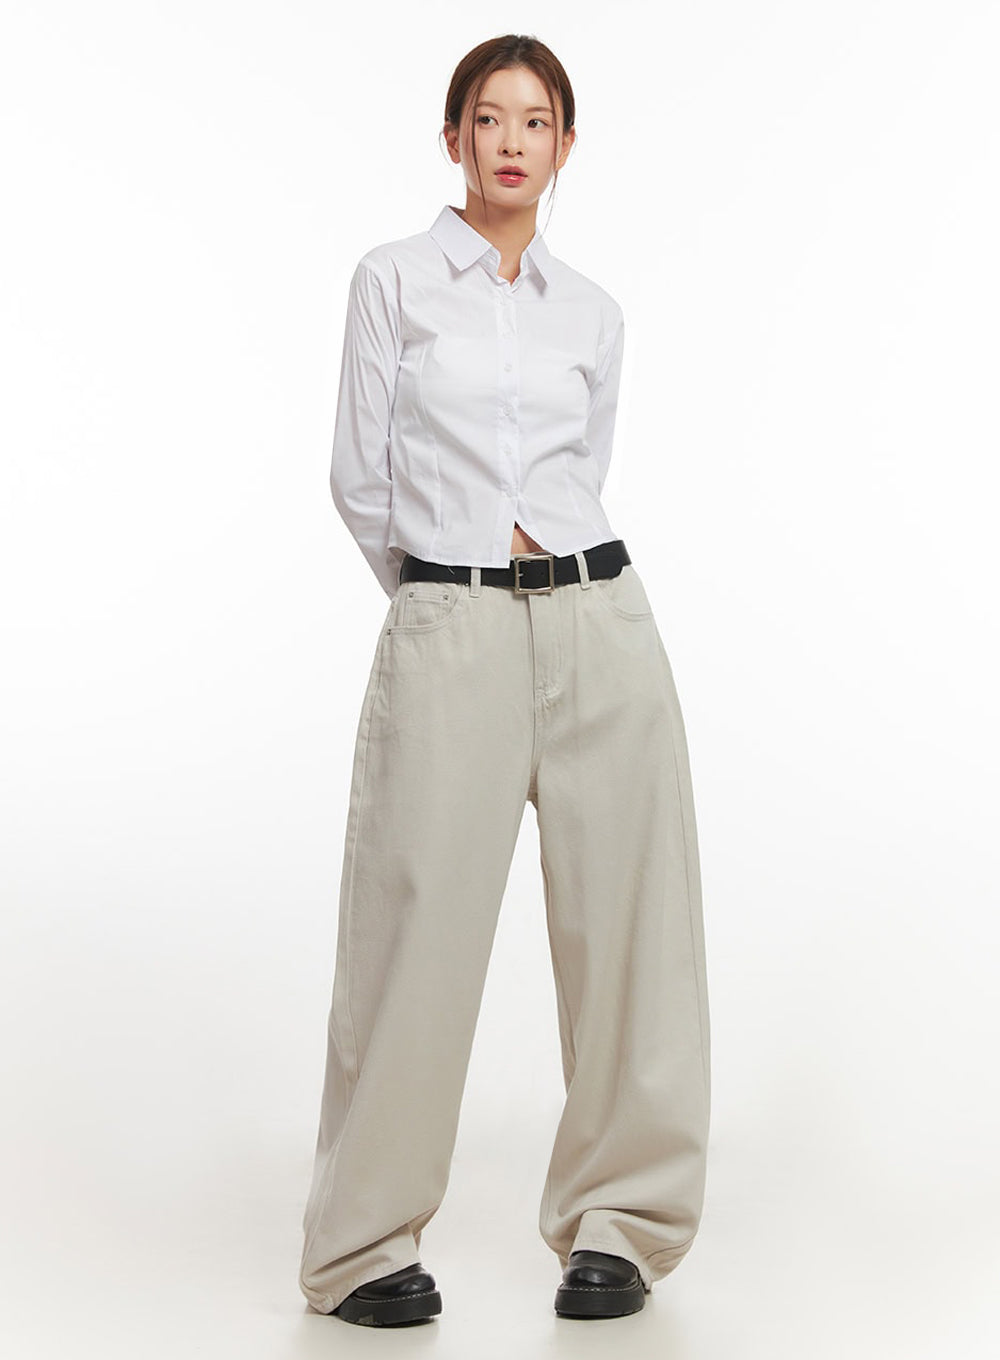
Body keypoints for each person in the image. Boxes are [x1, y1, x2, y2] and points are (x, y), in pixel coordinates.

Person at [298, 33, 711, 1328]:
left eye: (537, 120)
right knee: (413, 924)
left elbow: (583, 469)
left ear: (567, 145)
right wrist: (442, 595)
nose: (513, 141)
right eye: (490, 117)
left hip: (600, 619)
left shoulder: (593, 312)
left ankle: (622, 1224)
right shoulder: (394, 280)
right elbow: (359, 480)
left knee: (631, 928)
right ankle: (362, 1244)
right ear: (455, 138)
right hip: (453, 623)